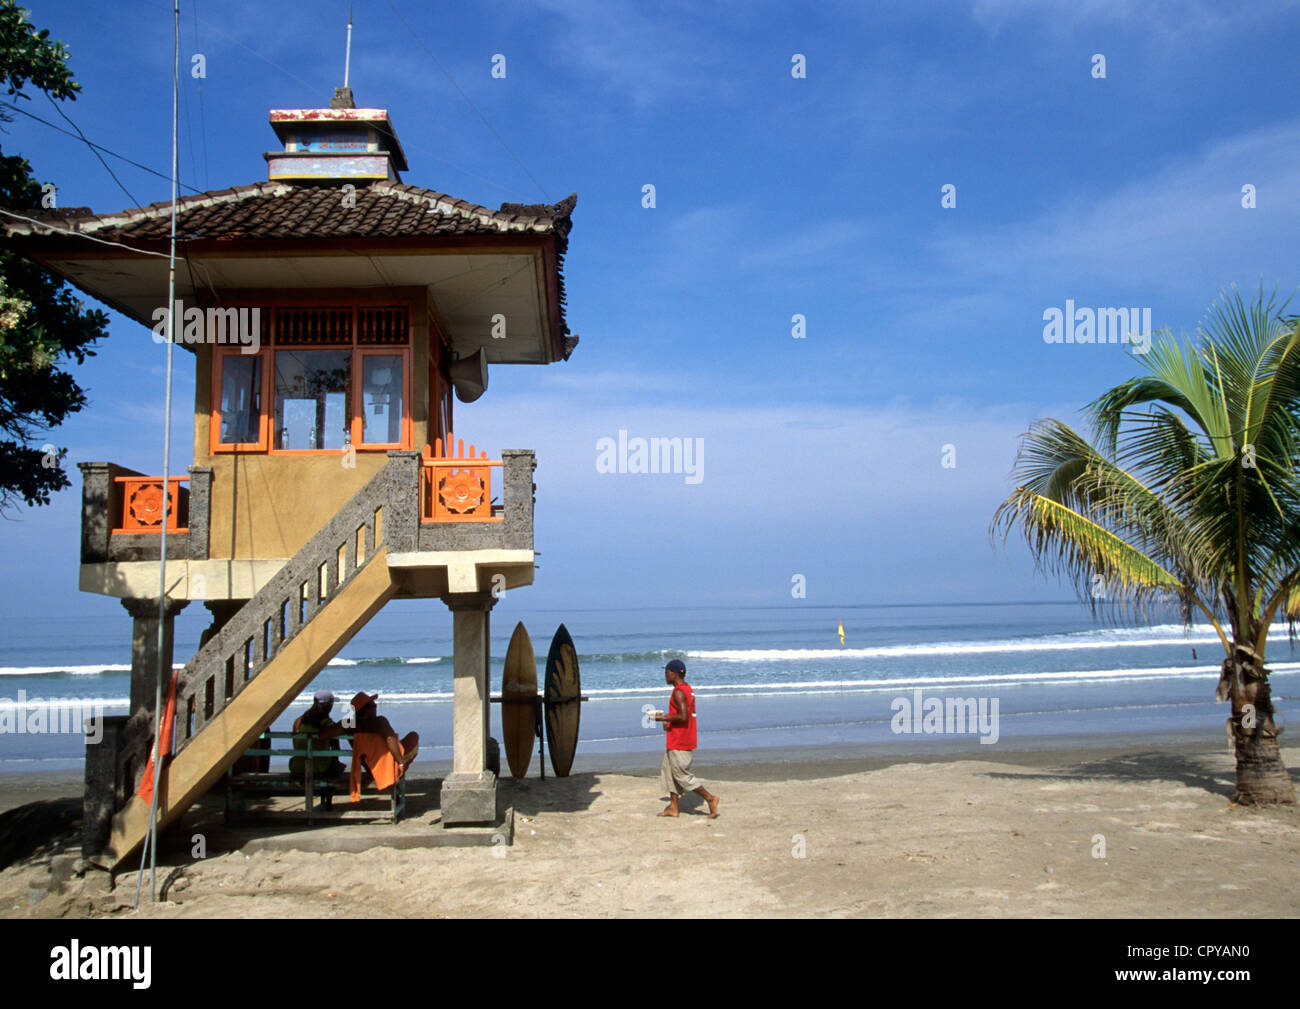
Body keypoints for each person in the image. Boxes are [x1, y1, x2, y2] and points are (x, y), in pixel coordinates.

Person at [653, 659, 719, 818]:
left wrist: (664, 719)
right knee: (670, 774)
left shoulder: (678, 692)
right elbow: (683, 714)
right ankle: (673, 808)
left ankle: (710, 798)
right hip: (678, 738)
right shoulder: (687, 689)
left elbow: (683, 716)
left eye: (667, 672)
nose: (665, 675)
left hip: (680, 740)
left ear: (674, 674)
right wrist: (668, 719)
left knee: (681, 775)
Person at [347, 692, 419, 802]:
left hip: (368, 765)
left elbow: (325, 733)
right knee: (413, 736)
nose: (376, 707)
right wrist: (400, 762)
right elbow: (390, 739)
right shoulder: (378, 722)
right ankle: (397, 775)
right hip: (387, 765)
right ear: (365, 710)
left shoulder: (350, 726)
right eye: (373, 705)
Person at [289, 688, 346, 778]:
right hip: (319, 770)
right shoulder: (328, 724)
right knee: (340, 767)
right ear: (330, 705)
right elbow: (336, 751)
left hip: (297, 768)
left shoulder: (298, 721)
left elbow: (296, 744)